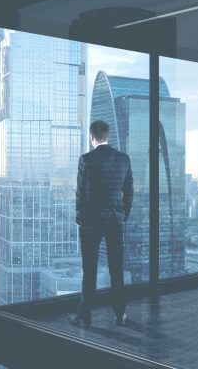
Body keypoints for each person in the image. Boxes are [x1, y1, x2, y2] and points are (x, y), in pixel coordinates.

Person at [69, 120, 133, 327]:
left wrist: (80, 217)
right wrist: (123, 215)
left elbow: (82, 192)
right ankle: (120, 314)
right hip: (115, 219)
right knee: (117, 267)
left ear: (91, 136)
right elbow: (129, 191)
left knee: (90, 269)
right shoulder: (123, 159)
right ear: (108, 135)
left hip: (91, 220)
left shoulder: (86, 160)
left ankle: (85, 316)